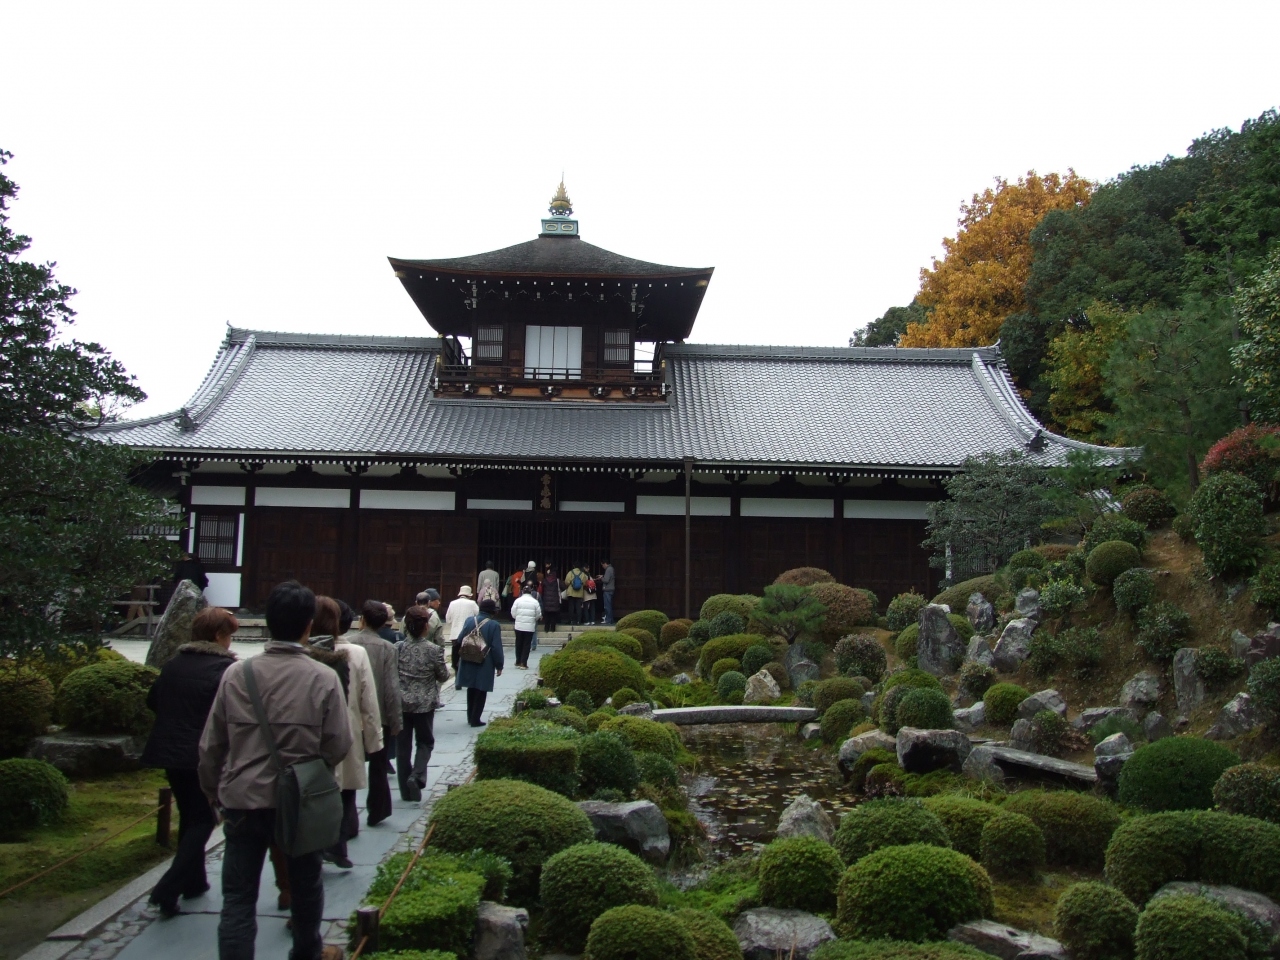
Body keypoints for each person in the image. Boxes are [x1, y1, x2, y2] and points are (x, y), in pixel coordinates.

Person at [198, 580, 351, 960]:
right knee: (306, 885)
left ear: (267, 622)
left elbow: (212, 744)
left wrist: (213, 792)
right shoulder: (323, 676)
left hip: (243, 798)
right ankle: (306, 952)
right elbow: (338, 743)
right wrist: (314, 770)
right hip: (300, 799)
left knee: (238, 896)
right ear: (308, 626)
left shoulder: (237, 674)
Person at [142, 607, 239, 917]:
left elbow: (153, 699)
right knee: (204, 819)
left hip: (170, 751)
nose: (230, 641)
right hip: (201, 753)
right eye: (229, 635)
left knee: (190, 814)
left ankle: (194, 881)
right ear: (218, 636)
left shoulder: (174, 665)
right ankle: (167, 888)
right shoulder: (224, 670)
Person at [312, 597, 381, 870]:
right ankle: (339, 845)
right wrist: (374, 741)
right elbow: (369, 701)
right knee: (344, 791)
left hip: (310, 736)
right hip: (347, 729)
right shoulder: (355, 653)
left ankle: (318, 845)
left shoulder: (302, 652)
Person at [349, 601, 402, 827]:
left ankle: (348, 815)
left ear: (362, 619)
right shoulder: (387, 648)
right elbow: (392, 687)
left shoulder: (349, 644)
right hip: (379, 714)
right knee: (378, 766)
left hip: (352, 714)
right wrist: (396, 720)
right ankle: (377, 810)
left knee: (348, 764)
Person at [395, 598, 450, 800]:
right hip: (425, 703)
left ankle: (405, 790)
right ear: (426, 626)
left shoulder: (398, 648)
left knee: (403, 747)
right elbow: (443, 676)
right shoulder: (433, 650)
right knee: (425, 742)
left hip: (402, 702)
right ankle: (417, 775)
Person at [453, 598, 504, 727]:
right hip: (485, 659)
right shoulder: (494, 625)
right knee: (481, 690)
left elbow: (460, 638)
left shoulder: (469, 620)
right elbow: (496, 647)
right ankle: (476, 719)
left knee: (471, 688)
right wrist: (499, 665)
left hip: (468, 656)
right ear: (492, 611)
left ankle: (470, 716)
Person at [444, 585, 479, 669]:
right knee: (467, 656)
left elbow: (448, 619)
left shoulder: (452, 603)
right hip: (468, 634)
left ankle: (455, 669)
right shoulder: (472, 603)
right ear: (469, 595)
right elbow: (477, 617)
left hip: (455, 634)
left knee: (455, 653)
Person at [509, 582, 541, 670]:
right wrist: (533, 620)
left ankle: (518, 661)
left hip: (519, 625)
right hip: (529, 627)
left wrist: (517, 618)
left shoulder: (517, 601)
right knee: (527, 644)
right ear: (531, 592)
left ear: (522, 592)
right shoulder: (535, 602)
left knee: (518, 643)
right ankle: (523, 663)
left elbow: (513, 613)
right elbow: (538, 614)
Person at [541, 567, 562, 633]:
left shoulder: (545, 580)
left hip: (546, 600)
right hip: (555, 600)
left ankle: (546, 628)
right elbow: (563, 587)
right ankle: (553, 628)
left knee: (547, 615)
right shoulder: (557, 581)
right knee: (553, 615)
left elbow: (541, 589)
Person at [600, 559, 616, 625]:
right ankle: (610, 619)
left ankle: (608, 620)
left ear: (605, 563)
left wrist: (601, 578)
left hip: (608, 590)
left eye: (602, 565)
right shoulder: (611, 569)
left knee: (607, 606)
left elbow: (606, 580)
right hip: (611, 589)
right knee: (609, 605)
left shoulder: (608, 569)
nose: (602, 566)